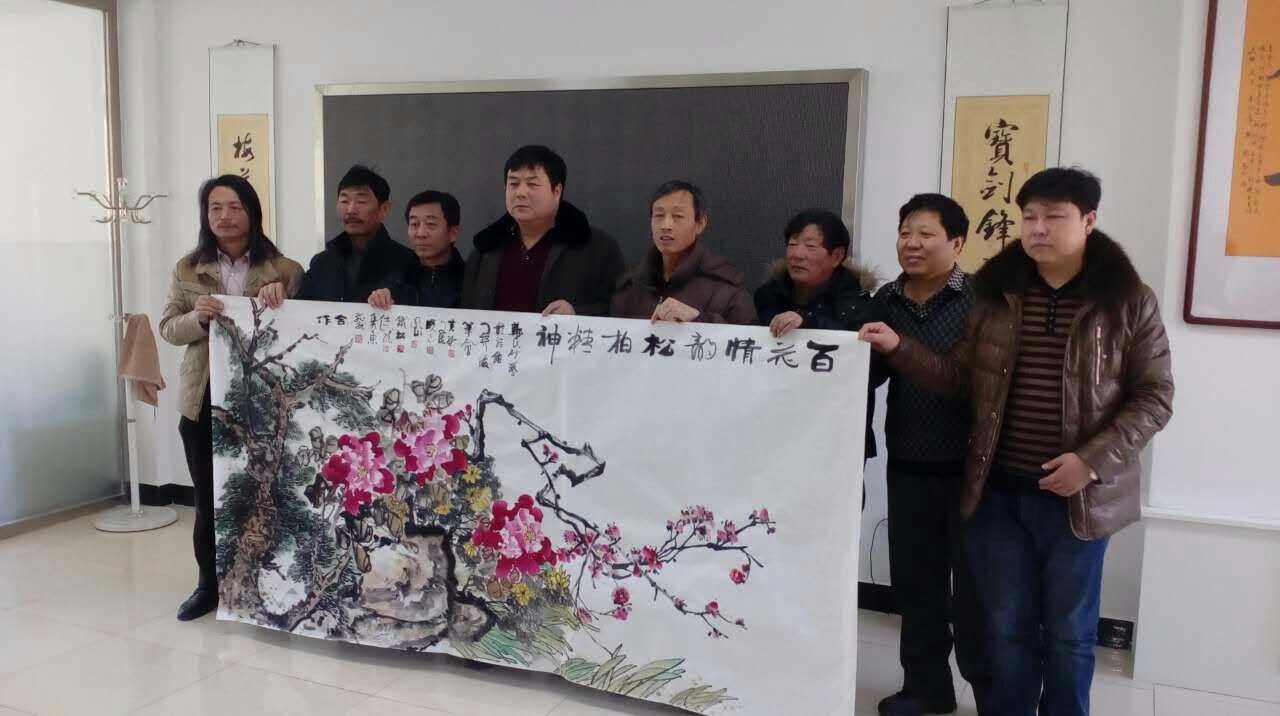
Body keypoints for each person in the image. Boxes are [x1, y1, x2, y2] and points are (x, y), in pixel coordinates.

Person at [860, 168, 1175, 716]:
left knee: (1069, 634)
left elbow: (1155, 397)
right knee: (1005, 628)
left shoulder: (1127, 300)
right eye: (1029, 216)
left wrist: (1090, 462)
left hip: (1079, 499)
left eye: (1054, 216)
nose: (1038, 228)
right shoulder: (998, 295)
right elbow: (960, 379)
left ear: (1089, 221)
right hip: (998, 494)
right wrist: (900, 348)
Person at [158, 175, 304, 621]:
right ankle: (208, 585)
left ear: (252, 213)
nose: (224, 216)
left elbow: (304, 334)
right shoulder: (188, 269)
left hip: (261, 402)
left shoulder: (286, 270)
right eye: (215, 207)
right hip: (202, 397)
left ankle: (269, 584)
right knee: (208, 498)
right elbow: (168, 328)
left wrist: (284, 302)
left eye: (234, 206)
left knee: (265, 494)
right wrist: (197, 319)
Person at [872, 194, 990, 716]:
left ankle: (993, 696)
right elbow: (866, 373)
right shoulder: (885, 299)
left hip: (974, 473)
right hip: (908, 465)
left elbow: (974, 381)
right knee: (916, 588)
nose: (911, 244)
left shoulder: (983, 300)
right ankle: (926, 689)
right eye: (905, 232)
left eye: (925, 234)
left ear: (957, 243)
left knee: (978, 594)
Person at [754, 208, 879, 462]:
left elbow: (871, 364)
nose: (797, 254)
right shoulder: (767, 296)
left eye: (810, 246)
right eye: (792, 244)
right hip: (774, 431)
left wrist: (809, 323)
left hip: (836, 438)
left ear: (837, 256)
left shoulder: (860, 303)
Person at [461, 145, 624, 316]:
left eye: (532, 184)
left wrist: (577, 313)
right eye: (513, 184)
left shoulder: (598, 248)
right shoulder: (485, 251)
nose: (520, 193)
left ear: (557, 191)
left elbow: (620, 311)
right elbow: (465, 315)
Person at [610, 180, 755, 324]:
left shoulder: (726, 288)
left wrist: (699, 319)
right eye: (659, 216)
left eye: (677, 216)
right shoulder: (631, 286)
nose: (666, 225)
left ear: (700, 224)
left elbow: (749, 336)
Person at [296, 164, 416, 304]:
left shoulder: (406, 262)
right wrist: (279, 298)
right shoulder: (321, 263)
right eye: (344, 201)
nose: (351, 210)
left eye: (361, 201)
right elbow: (300, 309)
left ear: (384, 209)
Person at [368, 190, 466, 310]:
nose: (420, 233)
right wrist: (378, 299)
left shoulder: (471, 282)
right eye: (414, 224)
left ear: (453, 233)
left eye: (430, 224)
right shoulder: (395, 281)